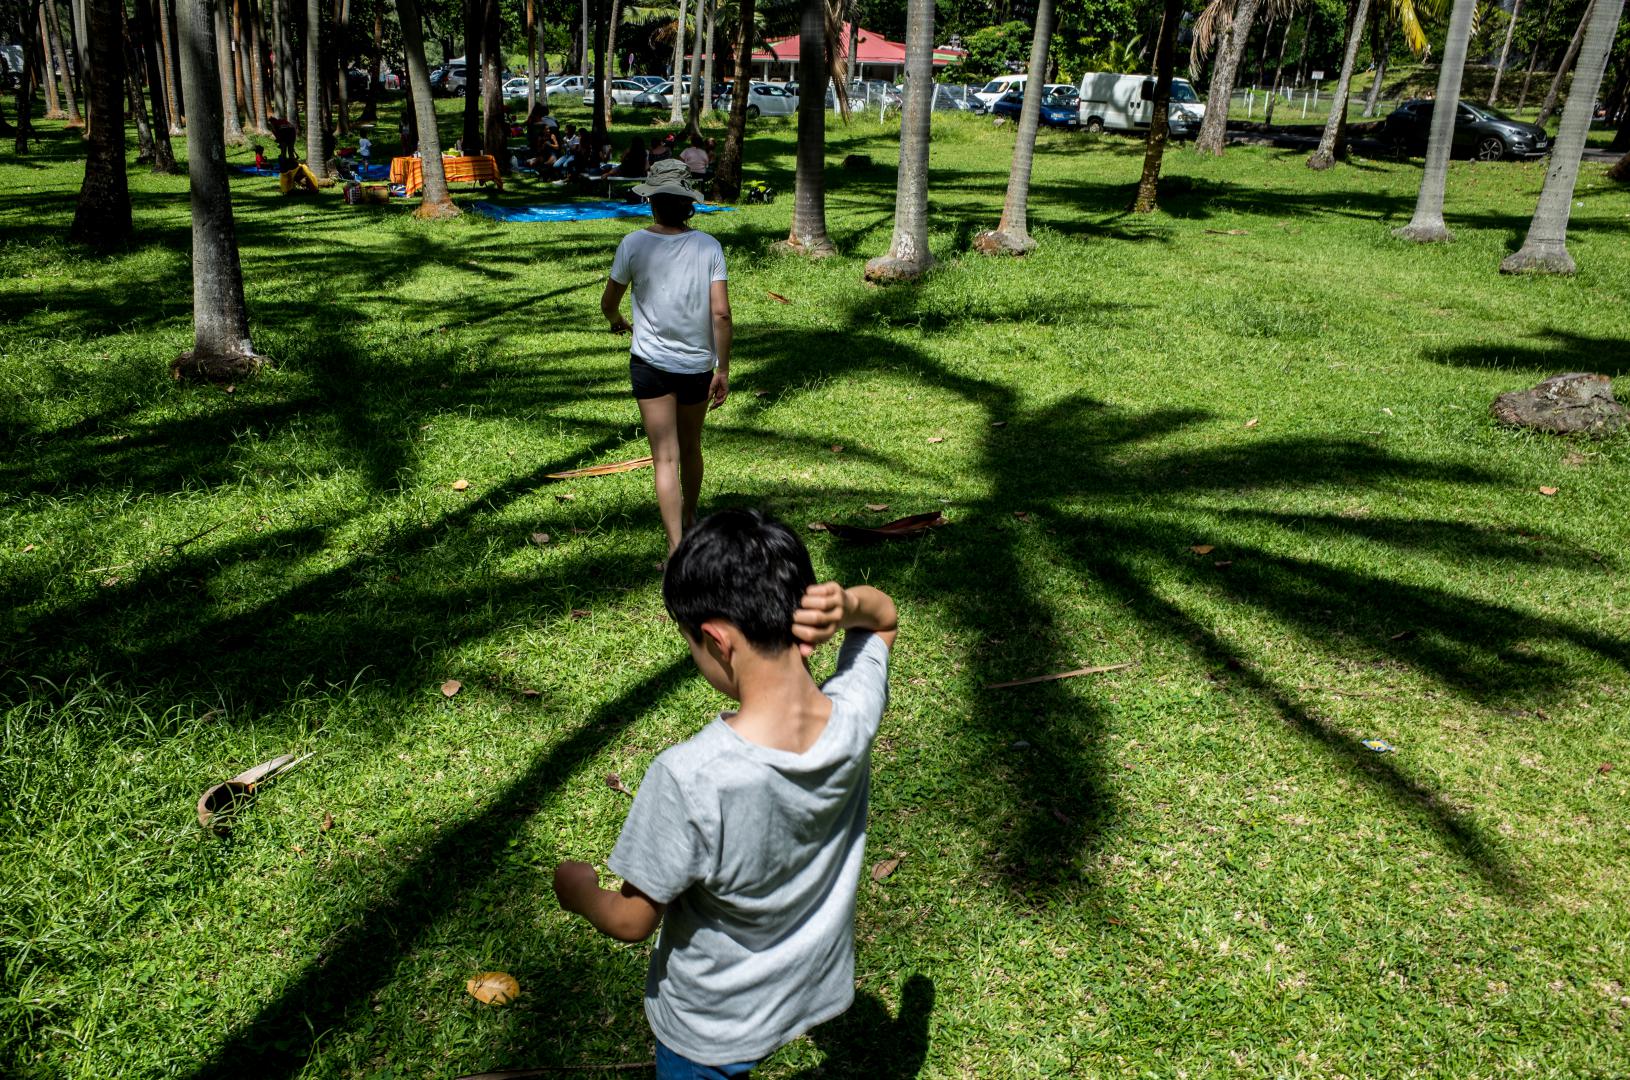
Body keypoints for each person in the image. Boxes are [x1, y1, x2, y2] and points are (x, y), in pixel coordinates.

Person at [553, 508, 899, 1078]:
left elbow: (631, 921)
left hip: (711, 1028)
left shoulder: (691, 776)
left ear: (715, 640)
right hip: (807, 989)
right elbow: (881, 621)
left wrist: (581, 891)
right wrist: (848, 605)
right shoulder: (853, 718)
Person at [599, 159, 729, 553]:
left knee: (665, 459)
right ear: (688, 203)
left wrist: (618, 320)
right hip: (696, 368)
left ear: (652, 201)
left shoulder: (633, 244)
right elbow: (721, 314)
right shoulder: (708, 246)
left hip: (649, 366)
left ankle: (676, 547)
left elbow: (609, 302)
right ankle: (690, 518)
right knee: (691, 448)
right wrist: (723, 368)